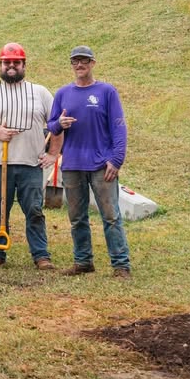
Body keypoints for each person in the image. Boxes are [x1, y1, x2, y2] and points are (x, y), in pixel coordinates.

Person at [0, 43, 58, 271]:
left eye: (16, 62)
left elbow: (56, 124)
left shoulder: (39, 92)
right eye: (6, 62)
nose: (11, 66)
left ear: (24, 65)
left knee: (35, 211)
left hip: (31, 163)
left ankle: (41, 255)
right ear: (0, 65)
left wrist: (53, 153)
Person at [48, 46, 132, 278]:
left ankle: (121, 265)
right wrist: (59, 124)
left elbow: (118, 126)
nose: (79, 65)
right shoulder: (63, 93)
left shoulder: (106, 91)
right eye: (75, 61)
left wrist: (116, 160)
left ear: (93, 63)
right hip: (72, 165)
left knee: (111, 216)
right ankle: (83, 261)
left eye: (84, 61)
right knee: (77, 217)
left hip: (100, 166)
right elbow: (51, 125)